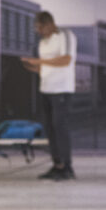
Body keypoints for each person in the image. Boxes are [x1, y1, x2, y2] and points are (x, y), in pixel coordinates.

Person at [20, 10, 77, 180]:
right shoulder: (42, 43)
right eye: (36, 28)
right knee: (50, 129)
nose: (38, 31)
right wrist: (31, 66)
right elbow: (45, 67)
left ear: (49, 24)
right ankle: (57, 165)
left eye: (40, 27)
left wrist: (39, 61)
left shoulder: (65, 35)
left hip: (61, 90)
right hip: (46, 89)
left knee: (60, 126)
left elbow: (66, 60)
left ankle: (67, 167)